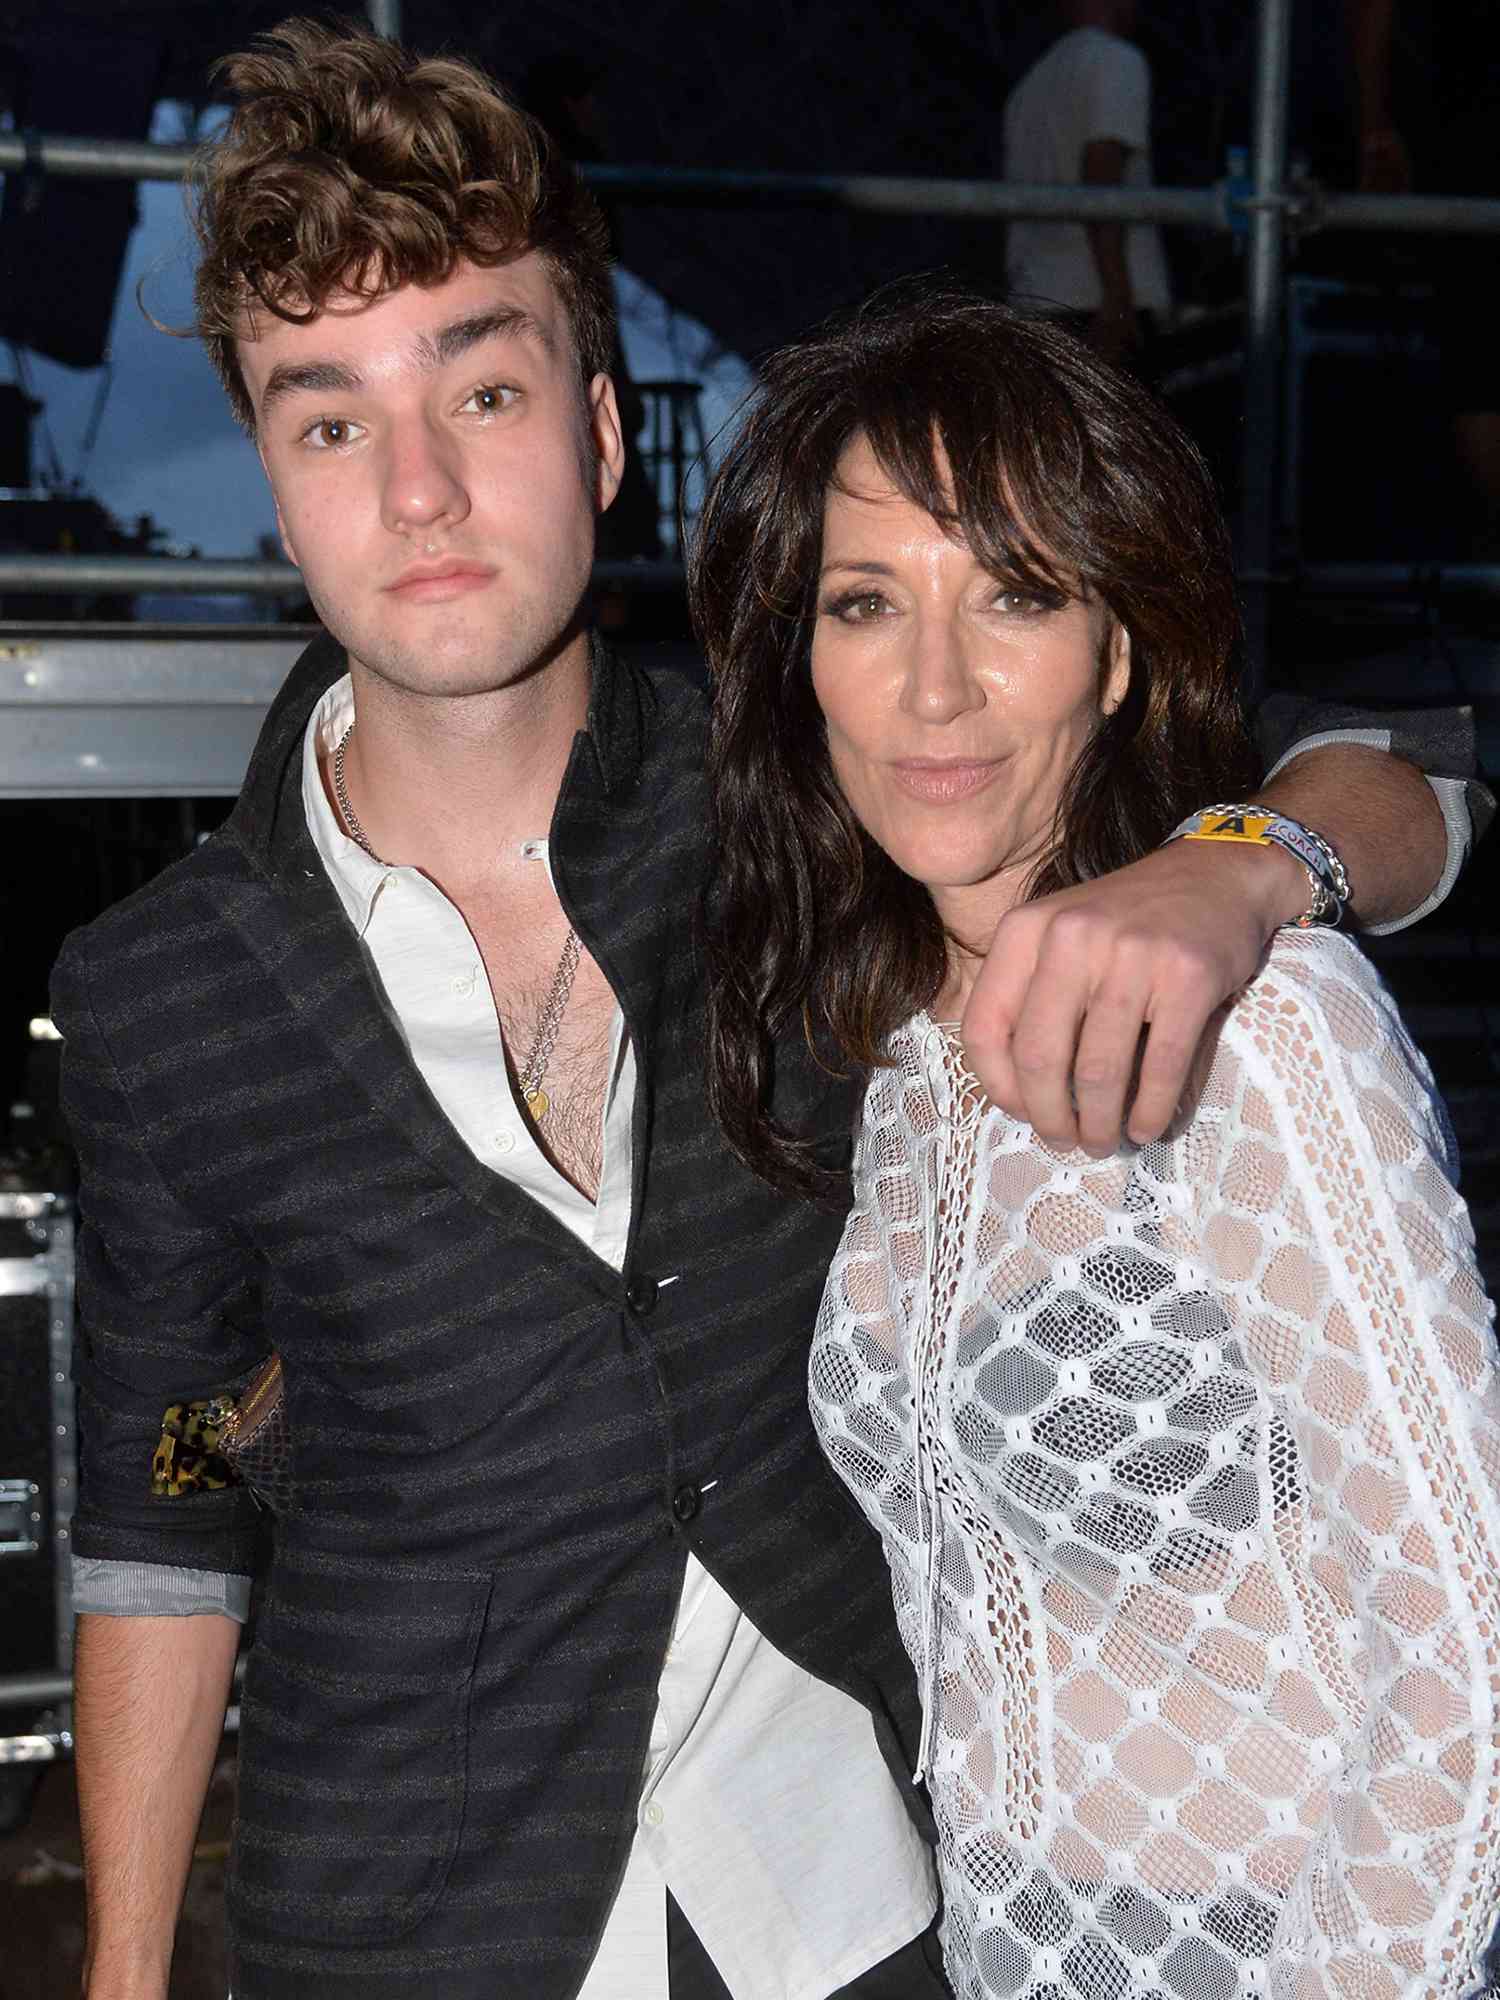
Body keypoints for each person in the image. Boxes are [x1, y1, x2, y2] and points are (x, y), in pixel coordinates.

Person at [54, 19, 1482, 2000]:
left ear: (610, 428)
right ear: (272, 477)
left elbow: (1403, 773)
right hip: (407, 1917)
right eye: (329, 422)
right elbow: (166, 1485)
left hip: (873, 1899)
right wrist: (292, 1442)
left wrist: (1233, 866)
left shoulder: (806, 804)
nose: (421, 486)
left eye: (484, 383)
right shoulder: (160, 996)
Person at [696, 284, 1500, 1999]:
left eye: (1015, 594)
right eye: (863, 603)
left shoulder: (1261, 1024)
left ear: (1117, 652)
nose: (932, 684)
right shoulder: (889, 1068)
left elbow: (1473, 1641)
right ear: (804, 662)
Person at [1003, 0, 1172, 366]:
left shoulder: (1032, 82)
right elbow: (1101, 169)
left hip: (1037, 304)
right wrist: (1117, 297)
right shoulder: (1116, 60)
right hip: (1096, 307)